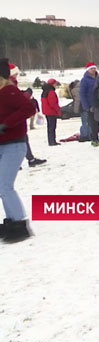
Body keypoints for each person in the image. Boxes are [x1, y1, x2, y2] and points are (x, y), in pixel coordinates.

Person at [0, 58, 36, 242]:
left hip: (13, 145)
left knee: (5, 186)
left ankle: (19, 225)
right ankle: (11, 221)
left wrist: (6, 124)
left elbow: (29, 108)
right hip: (2, 145)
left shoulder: (9, 91)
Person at [79, 62, 99, 145]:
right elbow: (82, 94)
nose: (94, 70)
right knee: (93, 123)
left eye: (94, 68)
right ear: (88, 70)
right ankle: (94, 139)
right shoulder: (85, 80)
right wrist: (86, 106)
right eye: (92, 69)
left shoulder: (98, 78)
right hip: (90, 105)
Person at [41, 78, 61, 146]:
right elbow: (53, 103)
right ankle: (52, 141)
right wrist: (58, 110)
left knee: (49, 127)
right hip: (51, 111)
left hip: (46, 111)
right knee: (52, 127)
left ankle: (51, 140)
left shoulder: (44, 91)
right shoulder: (51, 92)